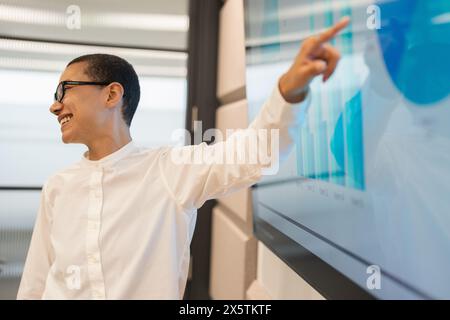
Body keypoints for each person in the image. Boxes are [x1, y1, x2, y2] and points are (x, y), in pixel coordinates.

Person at [17, 18, 349, 299]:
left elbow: (257, 154)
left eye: (64, 90)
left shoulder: (170, 171)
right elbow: (36, 282)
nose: (55, 105)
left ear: (112, 94)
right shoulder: (57, 187)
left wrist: (289, 90)